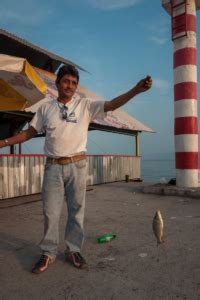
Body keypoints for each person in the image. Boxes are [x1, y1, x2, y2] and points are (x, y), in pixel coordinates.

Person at [0, 64, 152, 273]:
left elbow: (112, 104)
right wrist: (3, 142)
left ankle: (73, 250)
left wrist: (136, 90)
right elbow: (28, 134)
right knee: (50, 213)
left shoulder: (85, 106)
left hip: (78, 165)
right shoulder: (46, 108)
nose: (70, 86)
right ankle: (48, 252)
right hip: (53, 167)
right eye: (66, 81)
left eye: (74, 83)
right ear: (58, 83)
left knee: (76, 212)